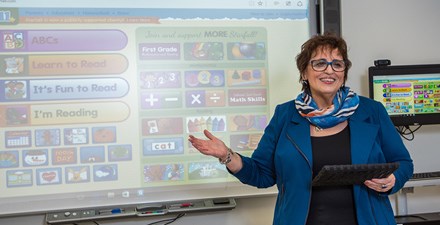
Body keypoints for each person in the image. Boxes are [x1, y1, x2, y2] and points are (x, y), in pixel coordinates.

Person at [188, 33, 414, 225]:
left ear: (344, 72)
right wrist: (227, 155)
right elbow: (262, 175)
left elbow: (403, 163)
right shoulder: (285, 115)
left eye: (337, 64)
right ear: (304, 73)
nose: (330, 70)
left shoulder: (371, 111)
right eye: (319, 63)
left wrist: (393, 180)